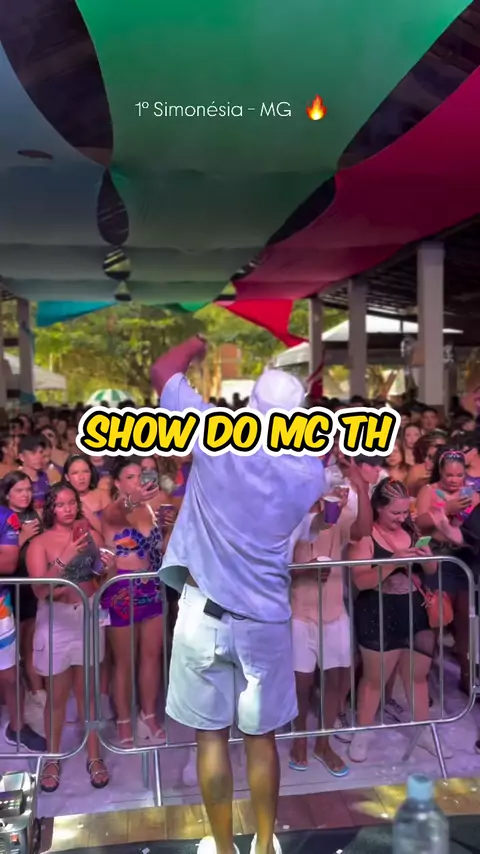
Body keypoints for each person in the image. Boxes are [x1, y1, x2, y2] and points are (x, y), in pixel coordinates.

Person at [151, 335, 325, 854]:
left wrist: (197, 344)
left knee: (210, 737)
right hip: (265, 620)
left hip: (203, 615)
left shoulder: (216, 437)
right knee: (261, 739)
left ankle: (224, 848)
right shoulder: (310, 472)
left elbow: (163, 370)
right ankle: (264, 845)